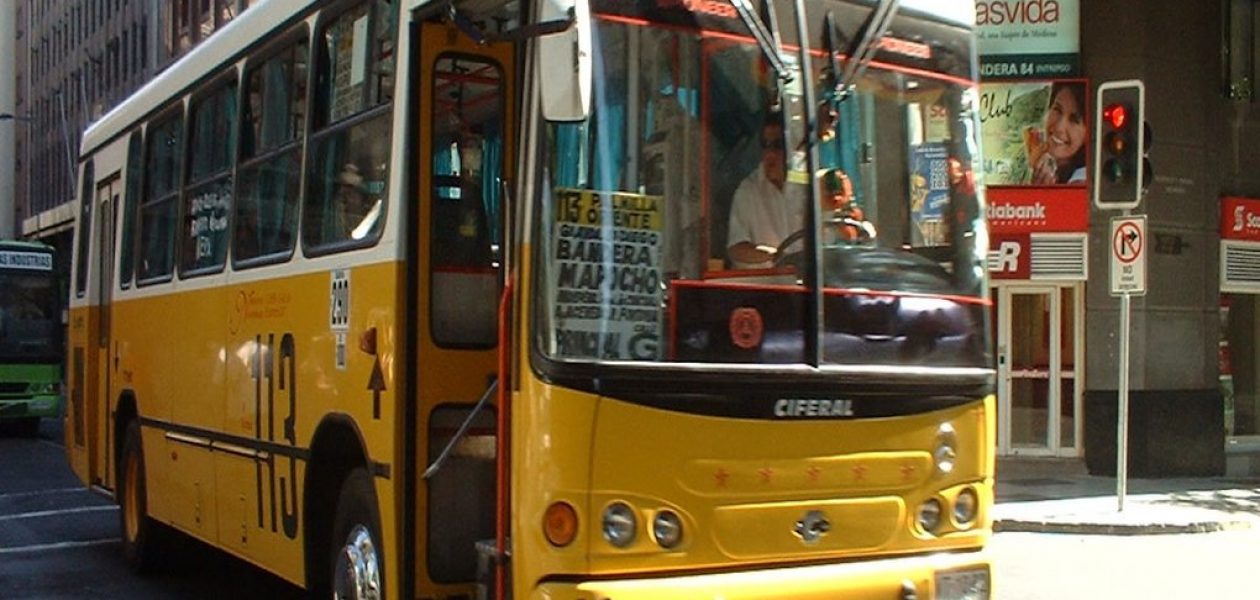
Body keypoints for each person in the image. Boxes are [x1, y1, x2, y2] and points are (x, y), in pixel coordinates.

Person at [726, 115, 802, 269]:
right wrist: (775, 256)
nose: (770, 153)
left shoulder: (810, 185)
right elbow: (736, 249)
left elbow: (833, 235)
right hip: (765, 286)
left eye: (777, 145)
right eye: (765, 145)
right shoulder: (748, 190)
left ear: (793, 148)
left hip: (809, 285)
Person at [1026, 82, 1087, 185]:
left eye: (1074, 119)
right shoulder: (1055, 171)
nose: (1059, 127)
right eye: (1057, 109)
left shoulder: (1080, 182)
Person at [335, 163, 381, 240]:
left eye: (349, 194)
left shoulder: (373, 222)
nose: (344, 201)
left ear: (360, 196)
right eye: (342, 195)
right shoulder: (336, 221)